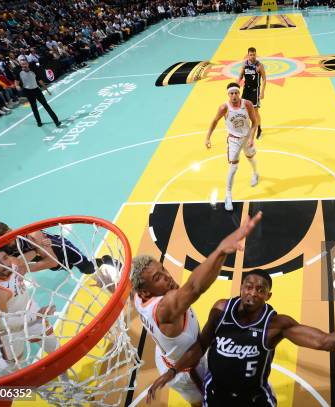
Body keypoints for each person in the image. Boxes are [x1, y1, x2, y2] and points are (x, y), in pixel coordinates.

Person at [146, 268, 335, 406]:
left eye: (260, 290)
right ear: (241, 288)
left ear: (268, 295)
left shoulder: (275, 325)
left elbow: (325, 341)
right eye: (249, 287)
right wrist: (172, 372)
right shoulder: (221, 310)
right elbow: (202, 344)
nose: (253, 293)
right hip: (215, 397)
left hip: (253, 401)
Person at [131, 211, 262, 406]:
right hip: (189, 372)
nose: (166, 277)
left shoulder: (137, 296)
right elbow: (194, 287)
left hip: (169, 357)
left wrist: (106, 279)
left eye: (163, 270)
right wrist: (220, 251)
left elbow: (125, 287)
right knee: (208, 402)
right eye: (157, 278)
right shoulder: (165, 309)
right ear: (145, 292)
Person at [0, 247, 58, 377]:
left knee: (54, 348)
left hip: (31, 311)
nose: (6, 264)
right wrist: (36, 315)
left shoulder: (12, 262)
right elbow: (4, 324)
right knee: (12, 364)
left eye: (5, 258)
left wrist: (37, 248)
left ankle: (67, 382)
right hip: (9, 328)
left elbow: (23, 259)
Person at [205, 82, 259, 212]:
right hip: (234, 140)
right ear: (228, 94)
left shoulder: (247, 104)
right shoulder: (224, 107)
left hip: (247, 137)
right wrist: (207, 137)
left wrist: (251, 138)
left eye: (236, 93)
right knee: (233, 167)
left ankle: (255, 174)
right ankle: (228, 195)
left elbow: (255, 121)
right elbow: (214, 121)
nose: (234, 95)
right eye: (231, 93)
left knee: (250, 157)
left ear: (239, 93)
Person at [0, 221, 111, 275]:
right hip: (44, 257)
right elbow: (17, 263)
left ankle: (106, 260)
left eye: (6, 238)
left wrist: (24, 267)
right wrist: (34, 252)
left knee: (88, 269)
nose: (3, 243)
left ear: (11, 231)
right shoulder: (2, 250)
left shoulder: (31, 236)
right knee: (62, 268)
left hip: (62, 250)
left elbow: (51, 261)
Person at [15, 60, 61, 127]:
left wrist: (47, 90)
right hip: (28, 92)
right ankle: (39, 122)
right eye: (22, 64)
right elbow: (16, 83)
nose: (24, 65)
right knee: (34, 108)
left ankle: (56, 121)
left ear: (28, 64)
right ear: (21, 65)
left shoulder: (33, 71)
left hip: (37, 90)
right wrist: (17, 86)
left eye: (25, 64)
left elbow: (40, 81)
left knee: (46, 106)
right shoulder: (19, 73)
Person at [237, 47, 266, 139]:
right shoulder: (244, 65)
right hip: (246, 90)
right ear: (248, 55)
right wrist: (236, 87)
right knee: (243, 110)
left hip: (255, 90)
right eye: (250, 55)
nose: (252, 56)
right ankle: (246, 129)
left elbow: (264, 79)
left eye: (254, 55)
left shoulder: (259, 65)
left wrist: (262, 92)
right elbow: (240, 77)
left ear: (255, 55)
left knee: (255, 111)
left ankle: (259, 129)